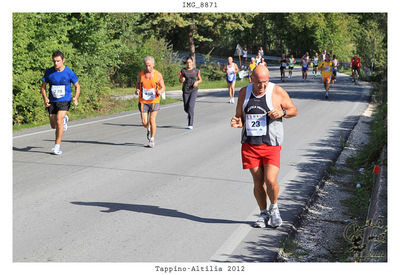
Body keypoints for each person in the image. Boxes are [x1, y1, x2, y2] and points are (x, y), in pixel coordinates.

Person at [230, 65, 297, 228]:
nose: (262, 86)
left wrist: (283, 113)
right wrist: (237, 122)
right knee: (258, 182)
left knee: (270, 179)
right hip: (250, 145)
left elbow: (293, 109)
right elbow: (239, 116)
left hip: (271, 144)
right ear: (251, 79)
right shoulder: (244, 93)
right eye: (259, 83)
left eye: (265, 82)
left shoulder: (277, 91)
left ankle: (274, 209)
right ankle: (263, 213)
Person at [41, 50, 80, 155]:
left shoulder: (69, 72)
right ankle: (64, 120)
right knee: (53, 125)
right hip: (52, 100)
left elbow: (77, 86)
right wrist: (45, 98)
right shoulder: (49, 72)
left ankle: (57, 147)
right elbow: (43, 87)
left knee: (59, 121)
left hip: (64, 100)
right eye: (54, 61)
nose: (56, 63)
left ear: (63, 60)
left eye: (58, 61)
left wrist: (75, 98)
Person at [135, 56, 166, 148]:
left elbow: (163, 87)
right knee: (144, 122)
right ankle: (148, 128)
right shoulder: (141, 74)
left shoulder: (158, 74)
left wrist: (160, 91)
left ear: (153, 64)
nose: (148, 68)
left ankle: (152, 139)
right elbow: (137, 84)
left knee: (152, 119)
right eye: (146, 66)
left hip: (154, 100)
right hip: (143, 101)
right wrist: (137, 90)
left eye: (149, 65)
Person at [179, 57, 202, 130]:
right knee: (186, 107)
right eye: (187, 62)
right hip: (185, 90)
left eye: (190, 62)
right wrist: (182, 80)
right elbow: (180, 80)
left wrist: (197, 82)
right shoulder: (183, 71)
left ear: (192, 62)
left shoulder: (196, 70)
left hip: (193, 90)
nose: (188, 64)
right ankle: (189, 113)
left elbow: (200, 79)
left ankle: (190, 123)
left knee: (191, 106)